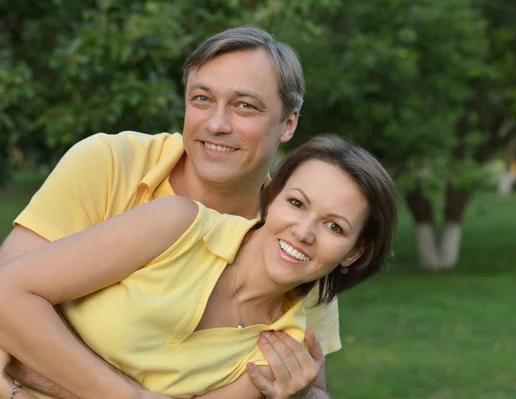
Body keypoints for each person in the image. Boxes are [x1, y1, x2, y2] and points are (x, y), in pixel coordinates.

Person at [0, 26, 337, 398]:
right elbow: (5, 312)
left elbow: (312, 385)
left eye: (245, 106)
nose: (217, 124)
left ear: (288, 124)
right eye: (202, 99)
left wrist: (301, 394)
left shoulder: (294, 244)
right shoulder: (110, 163)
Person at [0, 134, 398, 399]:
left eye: (334, 226)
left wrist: (28, 364)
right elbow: (7, 292)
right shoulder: (178, 223)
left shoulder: (281, 353)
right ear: (272, 197)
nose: (304, 232)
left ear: (354, 252)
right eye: (296, 203)